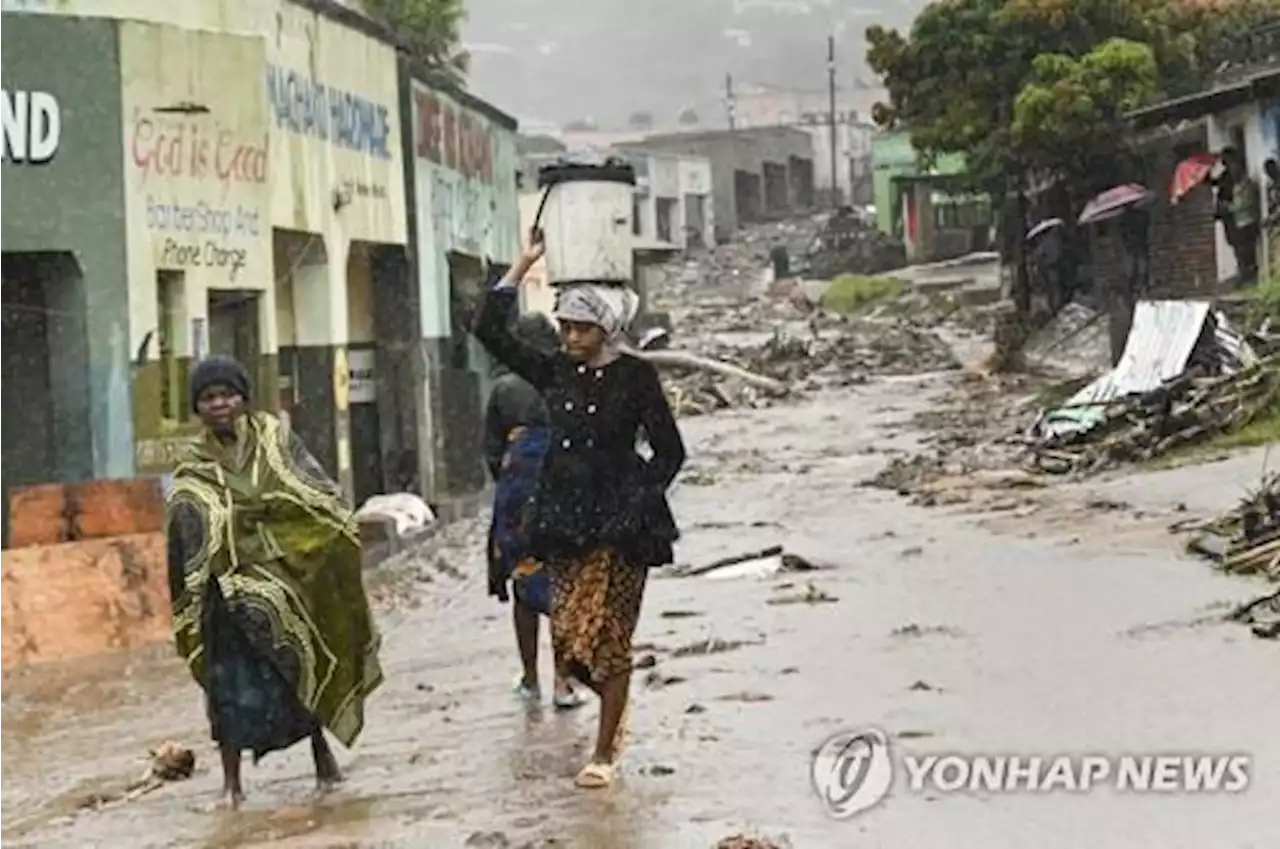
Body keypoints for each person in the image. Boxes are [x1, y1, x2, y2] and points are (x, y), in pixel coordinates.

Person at [473, 232, 687, 789]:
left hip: (623, 530)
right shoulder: (555, 372)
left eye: (581, 328)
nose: (570, 336)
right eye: (565, 326)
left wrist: (638, 498)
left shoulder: (637, 377)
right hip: (564, 524)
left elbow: (670, 451)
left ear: (606, 330)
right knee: (569, 644)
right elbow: (488, 330)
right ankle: (615, 704)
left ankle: (605, 752)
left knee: (609, 638)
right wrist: (521, 264)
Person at [165, 355, 383, 808]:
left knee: (298, 673)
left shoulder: (276, 442)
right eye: (208, 398)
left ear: (244, 398)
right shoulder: (192, 470)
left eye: (227, 394)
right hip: (224, 602)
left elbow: (320, 502)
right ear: (197, 408)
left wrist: (282, 544)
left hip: (289, 590)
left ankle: (325, 763)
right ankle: (232, 786)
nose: (219, 404)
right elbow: (185, 536)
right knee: (226, 693)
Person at [485, 311, 585, 711]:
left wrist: (512, 482)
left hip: (516, 492)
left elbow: (490, 450)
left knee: (524, 585)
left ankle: (530, 677)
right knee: (564, 583)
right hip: (564, 488)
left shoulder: (504, 388)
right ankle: (563, 682)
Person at [1223, 148, 1260, 283]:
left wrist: (1229, 208)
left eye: (1235, 172)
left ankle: (1251, 275)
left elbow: (1246, 203)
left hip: (1248, 221)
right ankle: (1246, 274)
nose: (1233, 175)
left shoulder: (1247, 184)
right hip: (1240, 222)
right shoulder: (1236, 186)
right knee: (1242, 250)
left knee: (1248, 251)